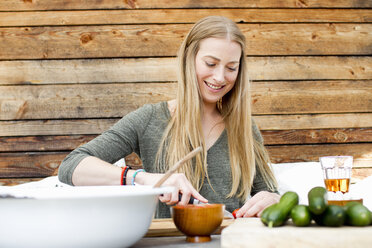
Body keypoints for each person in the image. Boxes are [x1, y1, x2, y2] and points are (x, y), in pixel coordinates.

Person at [58, 16, 279, 218]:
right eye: (210, 64)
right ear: (188, 59)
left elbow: (268, 191)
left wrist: (272, 199)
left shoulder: (243, 127)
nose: (220, 77)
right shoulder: (149, 119)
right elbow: (71, 166)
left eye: (231, 67)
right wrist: (142, 178)